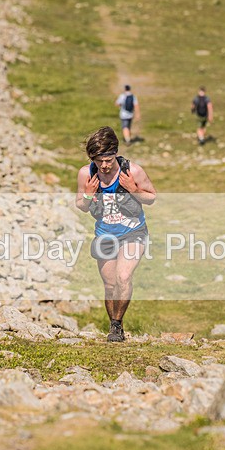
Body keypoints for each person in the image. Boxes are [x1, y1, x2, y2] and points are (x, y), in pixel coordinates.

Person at [75, 126, 157, 342]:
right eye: (99, 160)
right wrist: (90, 196)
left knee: (123, 277)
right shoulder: (86, 173)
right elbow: (81, 206)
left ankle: (117, 325)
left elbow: (151, 197)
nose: (104, 165)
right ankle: (114, 325)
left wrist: (133, 189)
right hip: (105, 235)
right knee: (110, 285)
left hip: (133, 232)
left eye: (108, 159)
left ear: (116, 153)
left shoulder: (133, 171)